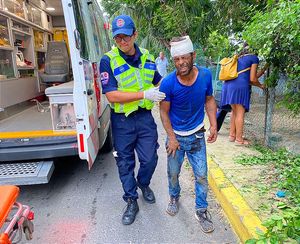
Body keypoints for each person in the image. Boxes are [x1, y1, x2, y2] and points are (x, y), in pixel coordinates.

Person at [99, 15, 166, 225]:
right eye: (117, 38)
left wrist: (172, 88)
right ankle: (131, 200)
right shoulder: (107, 60)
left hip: (145, 119)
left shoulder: (148, 56)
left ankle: (143, 183)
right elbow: (111, 95)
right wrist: (144, 95)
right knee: (124, 162)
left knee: (150, 159)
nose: (122, 42)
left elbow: (158, 81)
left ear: (135, 34)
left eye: (126, 37)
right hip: (122, 122)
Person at [159, 36, 217, 233]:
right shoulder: (168, 83)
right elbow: (163, 112)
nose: (181, 63)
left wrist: (214, 124)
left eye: (185, 58)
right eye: (176, 59)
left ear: (193, 55)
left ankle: (201, 210)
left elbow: (209, 100)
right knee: (173, 173)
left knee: (201, 175)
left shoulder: (206, 76)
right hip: (175, 137)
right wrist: (172, 138)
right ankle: (174, 196)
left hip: (197, 135)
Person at [220, 43, 267, 144]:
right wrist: (261, 86)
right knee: (240, 113)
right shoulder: (254, 58)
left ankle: (232, 136)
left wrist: (263, 70)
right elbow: (252, 79)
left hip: (228, 86)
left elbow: (249, 77)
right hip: (239, 87)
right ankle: (239, 139)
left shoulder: (239, 58)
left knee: (234, 112)